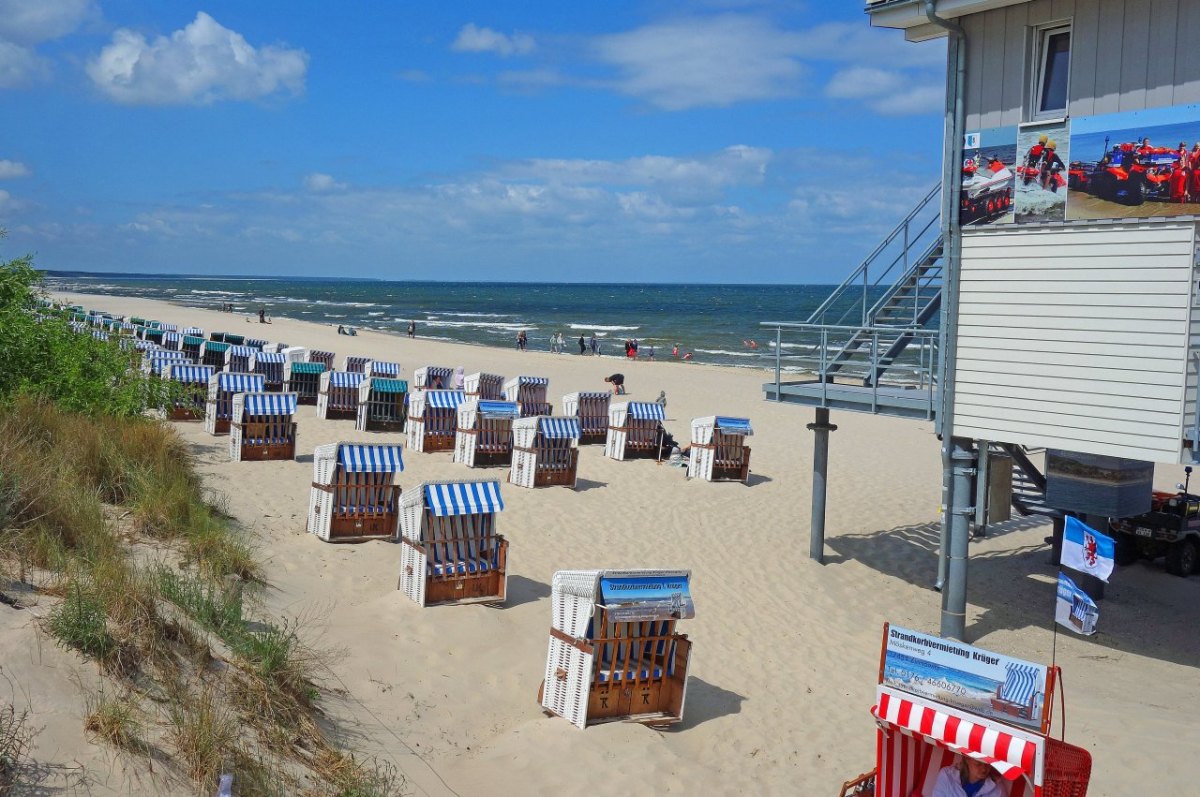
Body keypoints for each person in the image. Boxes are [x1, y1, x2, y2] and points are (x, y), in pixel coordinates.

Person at [933, 756, 1002, 797]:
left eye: (988, 764)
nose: (984, 769)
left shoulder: (996, 788)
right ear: (967, 759)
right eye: (978, 764)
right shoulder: (947, 775)